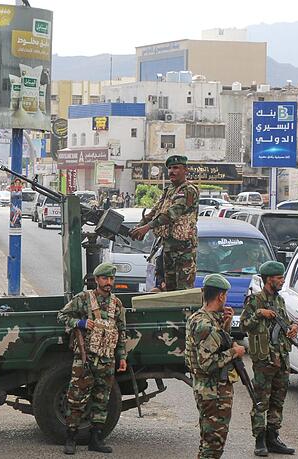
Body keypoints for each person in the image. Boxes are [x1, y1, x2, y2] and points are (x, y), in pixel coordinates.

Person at [57, 262, 128, 455]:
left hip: (107, 359)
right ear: (97, 280)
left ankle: (95, 439)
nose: (108, 282)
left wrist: (121, 356)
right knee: (76, 398)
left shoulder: (117, 304)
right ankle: (70, 438)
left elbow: (121, 332)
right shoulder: (84, 299)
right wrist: (79, 322)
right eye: (105, 278)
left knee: (101, 399)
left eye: (111, 279)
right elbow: (62, 316)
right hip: (85, 358)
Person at [240, 261, 298, 456]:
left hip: (281, 358)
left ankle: (273, 437)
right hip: (264, 360)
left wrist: (291, 329)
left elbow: (284, 322)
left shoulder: (279, 300)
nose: (282, 281)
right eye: (279, 278)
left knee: (278, 400)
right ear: (269, 279)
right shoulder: (255, 300)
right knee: (260, 401)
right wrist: (259, 313)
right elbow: (244, 326)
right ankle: (259, 440)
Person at [185, 274, 245, 459]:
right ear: (221, 296)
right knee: (213, 446)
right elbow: (207, 363)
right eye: (225, 295)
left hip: (208, 390)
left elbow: (217, 343)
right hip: (213, 393)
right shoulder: (206, 325)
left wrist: (226, 323)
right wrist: (235, 352)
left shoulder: (200, 317)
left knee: (208, 442)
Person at [130, 155, 199, 291]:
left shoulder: (189, 190)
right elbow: (155, 211)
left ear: (185, 170)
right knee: (168, 291)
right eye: (169, 168)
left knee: (182, 292)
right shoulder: (169, 191)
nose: (172, 171)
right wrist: (138, 227)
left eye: (176, 168)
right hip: (168, 249)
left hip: (183, 251)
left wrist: (147, 228)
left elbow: (171, 214)